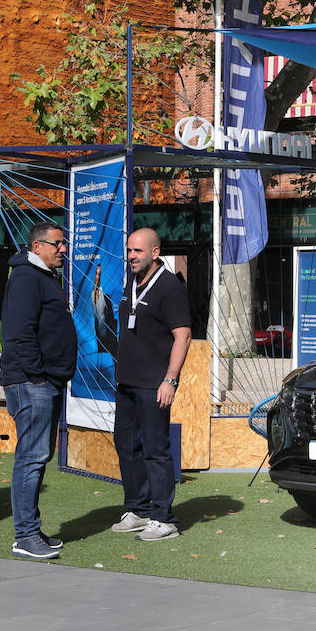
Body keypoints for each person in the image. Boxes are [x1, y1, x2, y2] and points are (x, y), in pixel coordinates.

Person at [0, 221, 76, 560]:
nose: (63, 249)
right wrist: (38, 377)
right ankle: (25, 536)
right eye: (58, 243)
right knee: (31, 458)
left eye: (64, 243)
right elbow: (18, 333)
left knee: (38, 457)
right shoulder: (27, 278)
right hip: (32, 383)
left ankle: (31, 529)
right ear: (38, 246)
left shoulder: (43, 277)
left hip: (45, 381)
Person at [111, 228, 191, 542]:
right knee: (126, 446)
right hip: (127, 381)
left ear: (155, 253)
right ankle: (138, 509)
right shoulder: (132, 281)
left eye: (138, 251)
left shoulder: (169, 286)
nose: (131, 256)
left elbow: (182, 336)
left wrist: (170, 379)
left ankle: (163, 517)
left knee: (155, 450)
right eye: (129, 250)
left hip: (154, 384)